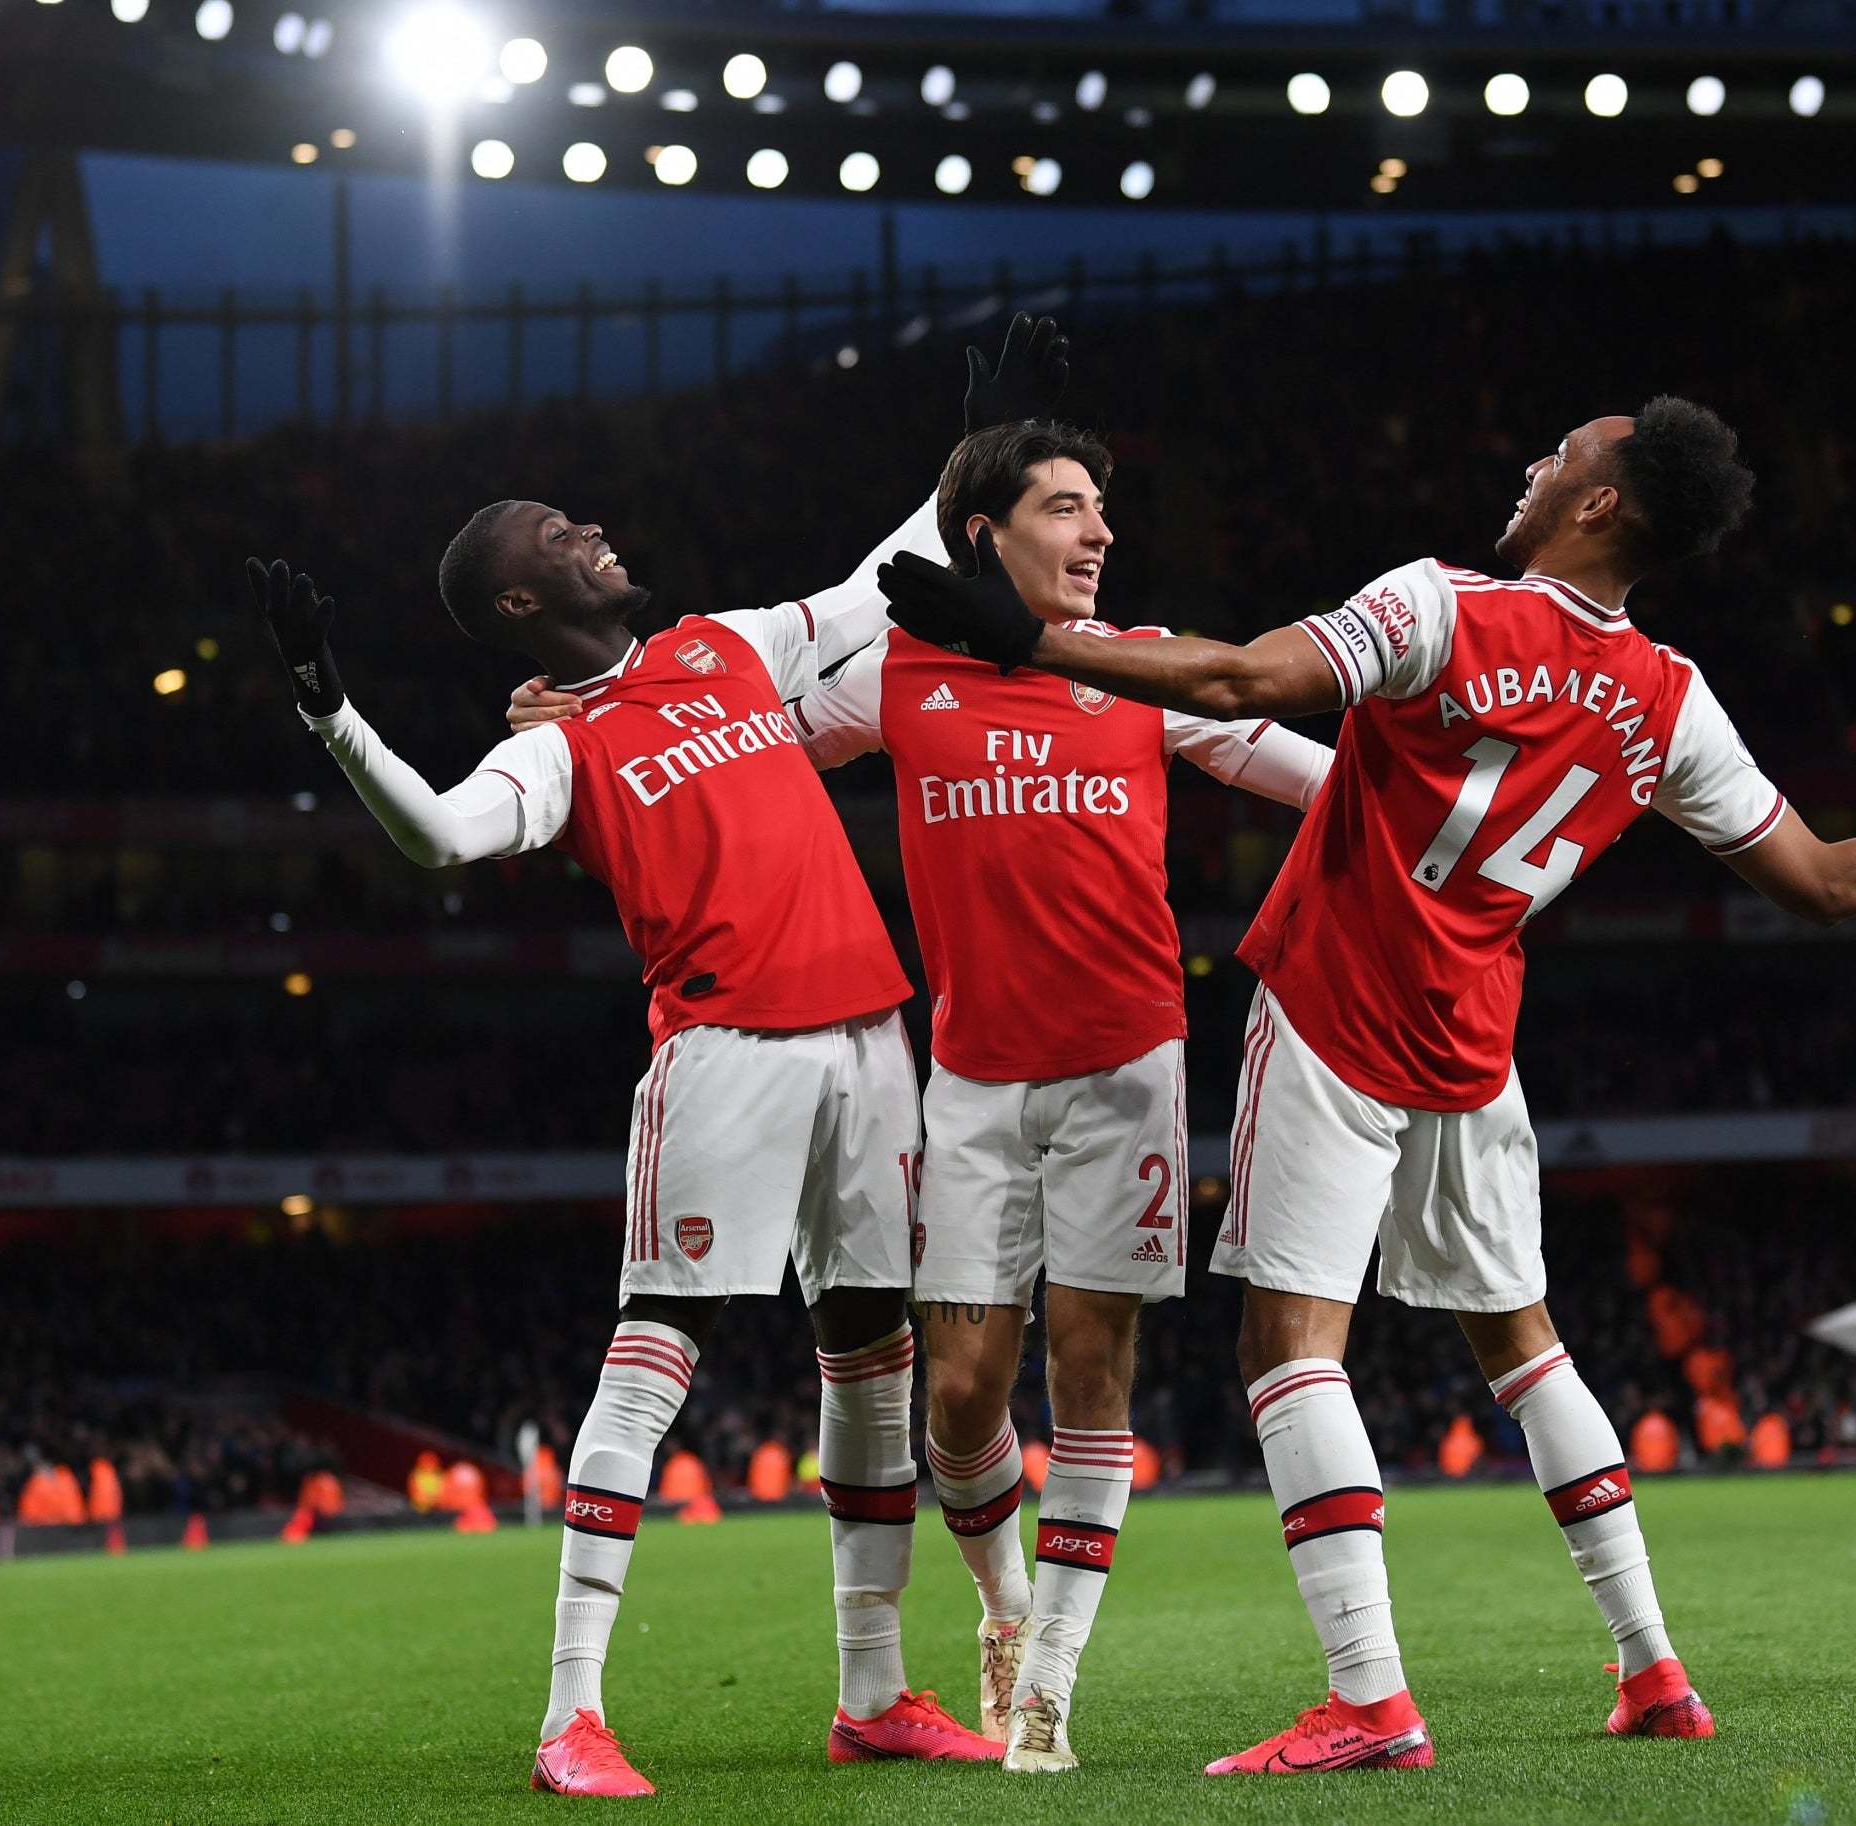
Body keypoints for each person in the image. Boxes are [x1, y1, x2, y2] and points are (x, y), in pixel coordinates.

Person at [880, 397, 1856, 1773]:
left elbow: (1236, 685)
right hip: (1471, 1040)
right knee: (1523, 1344)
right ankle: (1652, 1666)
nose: (1530, 463)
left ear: (1598, 505)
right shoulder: (1669, 698)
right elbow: (1821, 881)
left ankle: (1368, 1698)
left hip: (1337, 1010)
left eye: (1559, 455)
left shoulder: (1437, 608)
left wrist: (1027, 641)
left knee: (1288, 1349)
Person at [242, 328, 1066, 1795]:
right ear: (519, 597)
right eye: (561, 535)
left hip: (873, 1039)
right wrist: (330, 711)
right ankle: (570, 1711)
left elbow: (887, 567)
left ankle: (872, 1690)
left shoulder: (720, 644)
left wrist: (980, 446)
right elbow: (435, 832)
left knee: (870, 1361)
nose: (594, 532)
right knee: (653, 1363)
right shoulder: (557, 746)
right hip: (725, 1052)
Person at [511, 417, 1330, 1773]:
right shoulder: (900, 674)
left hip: (1127, 1073)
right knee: (955, 1393)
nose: (1099, 532)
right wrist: (576, 715)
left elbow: (1323, 783)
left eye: (1098, 510)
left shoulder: (1145, 671)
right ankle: (962, 1629)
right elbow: (728, 739)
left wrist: (1454, 821)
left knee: (1085, 1374)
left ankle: (1029, 1659)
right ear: (984, 536)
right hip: (963, 1085)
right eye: (1068, 507)